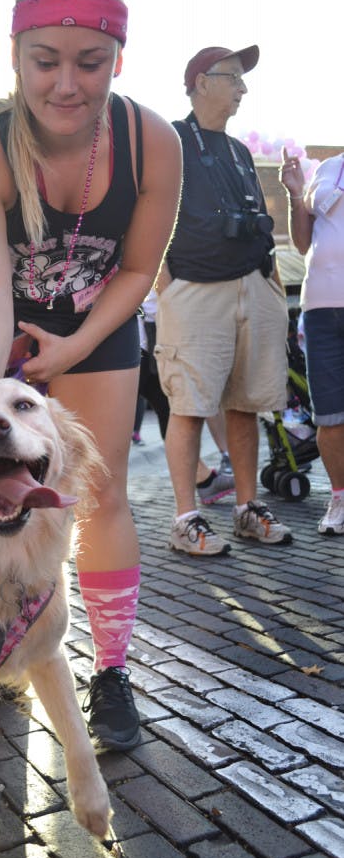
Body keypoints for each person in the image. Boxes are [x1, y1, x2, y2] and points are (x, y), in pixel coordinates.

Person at [0, 0, 182, 751]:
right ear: (14, 57)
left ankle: (112, 671)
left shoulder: (150, 142)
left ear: (118, 60)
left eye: (89, 63)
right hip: (8, 332)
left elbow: (137, 269)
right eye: (45, 62)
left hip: (98, 324)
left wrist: (82, 343)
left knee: (98, 496)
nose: (67, 84)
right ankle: (0, 641)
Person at [155, 44, 291, 555]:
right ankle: (186, 517)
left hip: (252, 287)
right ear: (199, 82)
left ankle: (246, 508)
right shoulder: (170, 140)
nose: (242, 87)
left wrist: (272, 288)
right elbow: (143, 214)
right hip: (196, 290)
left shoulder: (235, 150)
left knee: (245, 405)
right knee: (189, 407)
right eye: (232, 77)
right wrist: (165, 284)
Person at [280, 146, 344, 535]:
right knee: (329, 415)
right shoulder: (327, 169)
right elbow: (302, 243)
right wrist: (293, 193)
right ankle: (339, 497)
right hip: (320, 307)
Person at [137, 288, 235, 504]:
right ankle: (204, 480)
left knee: (169, 407)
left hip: (148, 332)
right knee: (163, 408)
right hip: (146, 331)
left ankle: (204, 479)